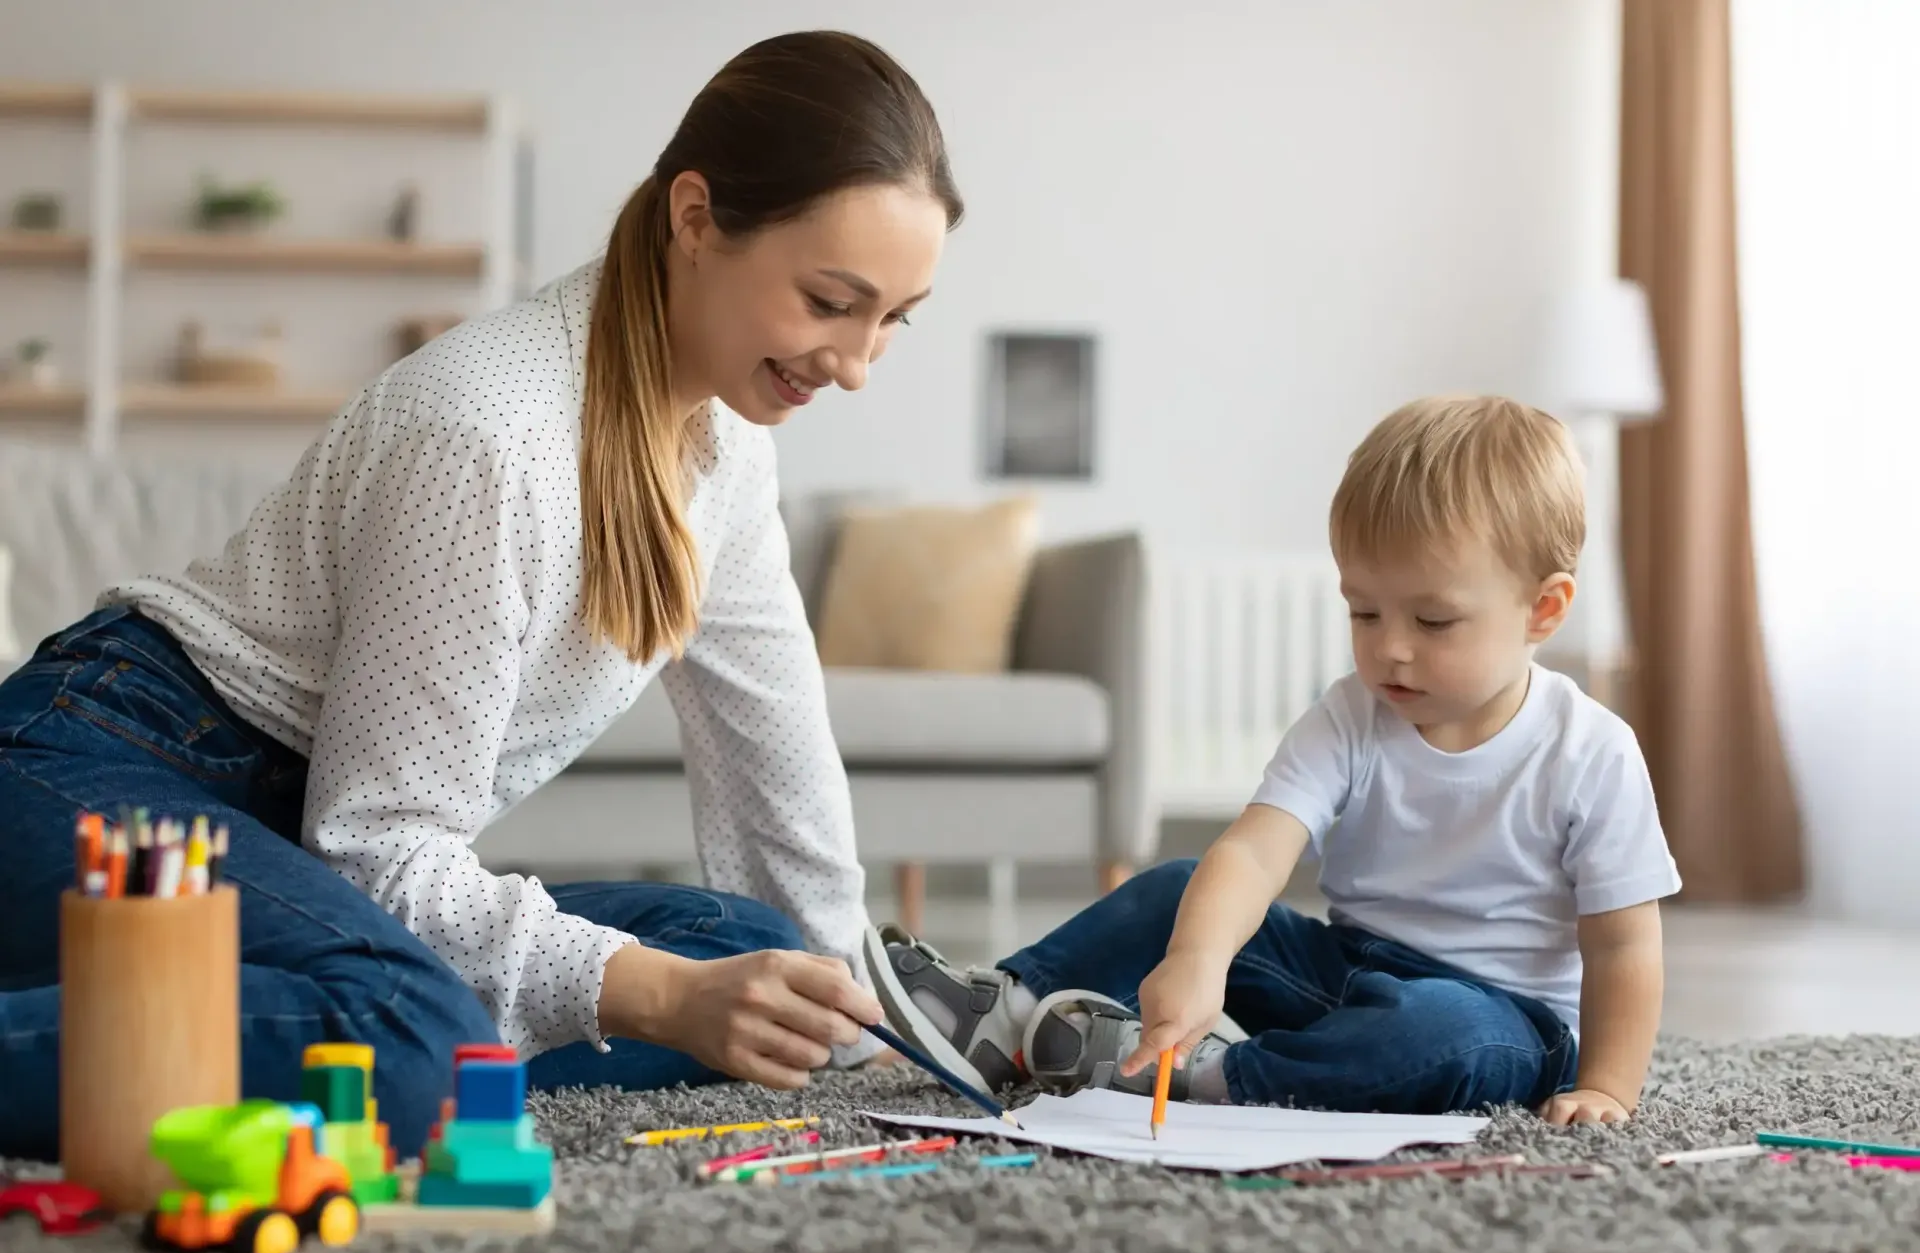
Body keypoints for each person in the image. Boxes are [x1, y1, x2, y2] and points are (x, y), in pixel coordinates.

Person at [0, 30, 962, 1161]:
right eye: (829, 301)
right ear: (695, 219)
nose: (852, 362)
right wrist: (646, 997)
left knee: (739, 954)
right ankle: (355, 1028)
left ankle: (271, 1021)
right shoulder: (487, 433)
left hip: (289, 850)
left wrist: (850, 1014)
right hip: (110, 773)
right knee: (413, 1040)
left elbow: (774, 768)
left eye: (893, 319)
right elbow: (375, 850)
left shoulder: (726, 448)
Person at [865, 394, 1682, 1125]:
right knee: (1181, 888)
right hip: (1345, 972)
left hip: (1506, 1024)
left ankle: (1215, 1079)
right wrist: (1197, 958)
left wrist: (1608, 1086)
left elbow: (1623, 946)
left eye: (1433, 622)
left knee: (1441, 1033)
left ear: (1543, 609)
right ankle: (1004, 1021)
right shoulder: (1352, 715)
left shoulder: (1591, 752)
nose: (1390, 649)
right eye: (1364, 611)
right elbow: (1257, 850)